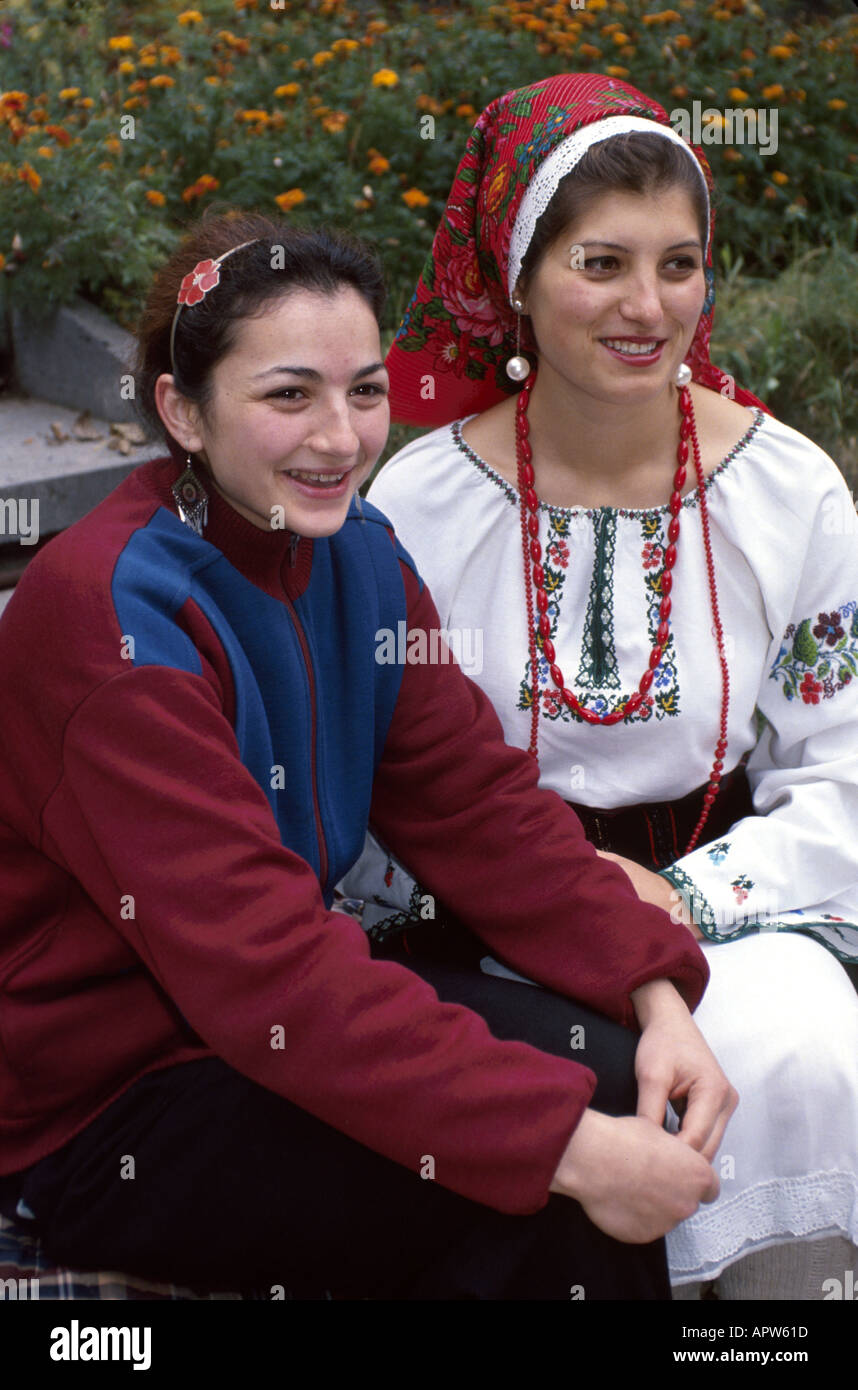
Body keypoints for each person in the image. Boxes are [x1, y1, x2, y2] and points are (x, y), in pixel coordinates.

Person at [0, 211, 735, 1301]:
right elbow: (270, 970)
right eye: (288, 394)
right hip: (110, 1107)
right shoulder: (110, 619)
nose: (341, 437)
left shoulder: (355, 555)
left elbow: (480, 810)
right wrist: (564, 1151)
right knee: (551, 1174)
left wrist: (654, 992)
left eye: (365, 390)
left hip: (258, 1029)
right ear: (180, 411)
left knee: (621, 1082)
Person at [342, 72, 858, 1298]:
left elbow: (843, 771)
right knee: (551, 1088)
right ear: (515, 281)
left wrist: (681, 895)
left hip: (726, 908)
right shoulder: (419, 507)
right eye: (601, 263)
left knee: (800, 1047)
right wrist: (543, 902)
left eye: (679, 264)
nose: (648, 305)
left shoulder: (789, 495)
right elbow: (371, 782)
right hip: (472, 917)